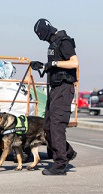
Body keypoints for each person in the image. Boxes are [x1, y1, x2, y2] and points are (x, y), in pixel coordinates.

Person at [30, 18, 79, 175]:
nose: (40, 37)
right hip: (55, 89)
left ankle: (59, 165)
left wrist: (54, 64)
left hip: (64, 89)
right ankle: (68, 152)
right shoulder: (53, 44)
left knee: (57, 126)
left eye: (40, 34)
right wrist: (43, 66)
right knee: (48, 127)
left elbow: (74, 63)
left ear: (47, 30)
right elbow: (54, 65)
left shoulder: (64, 41)